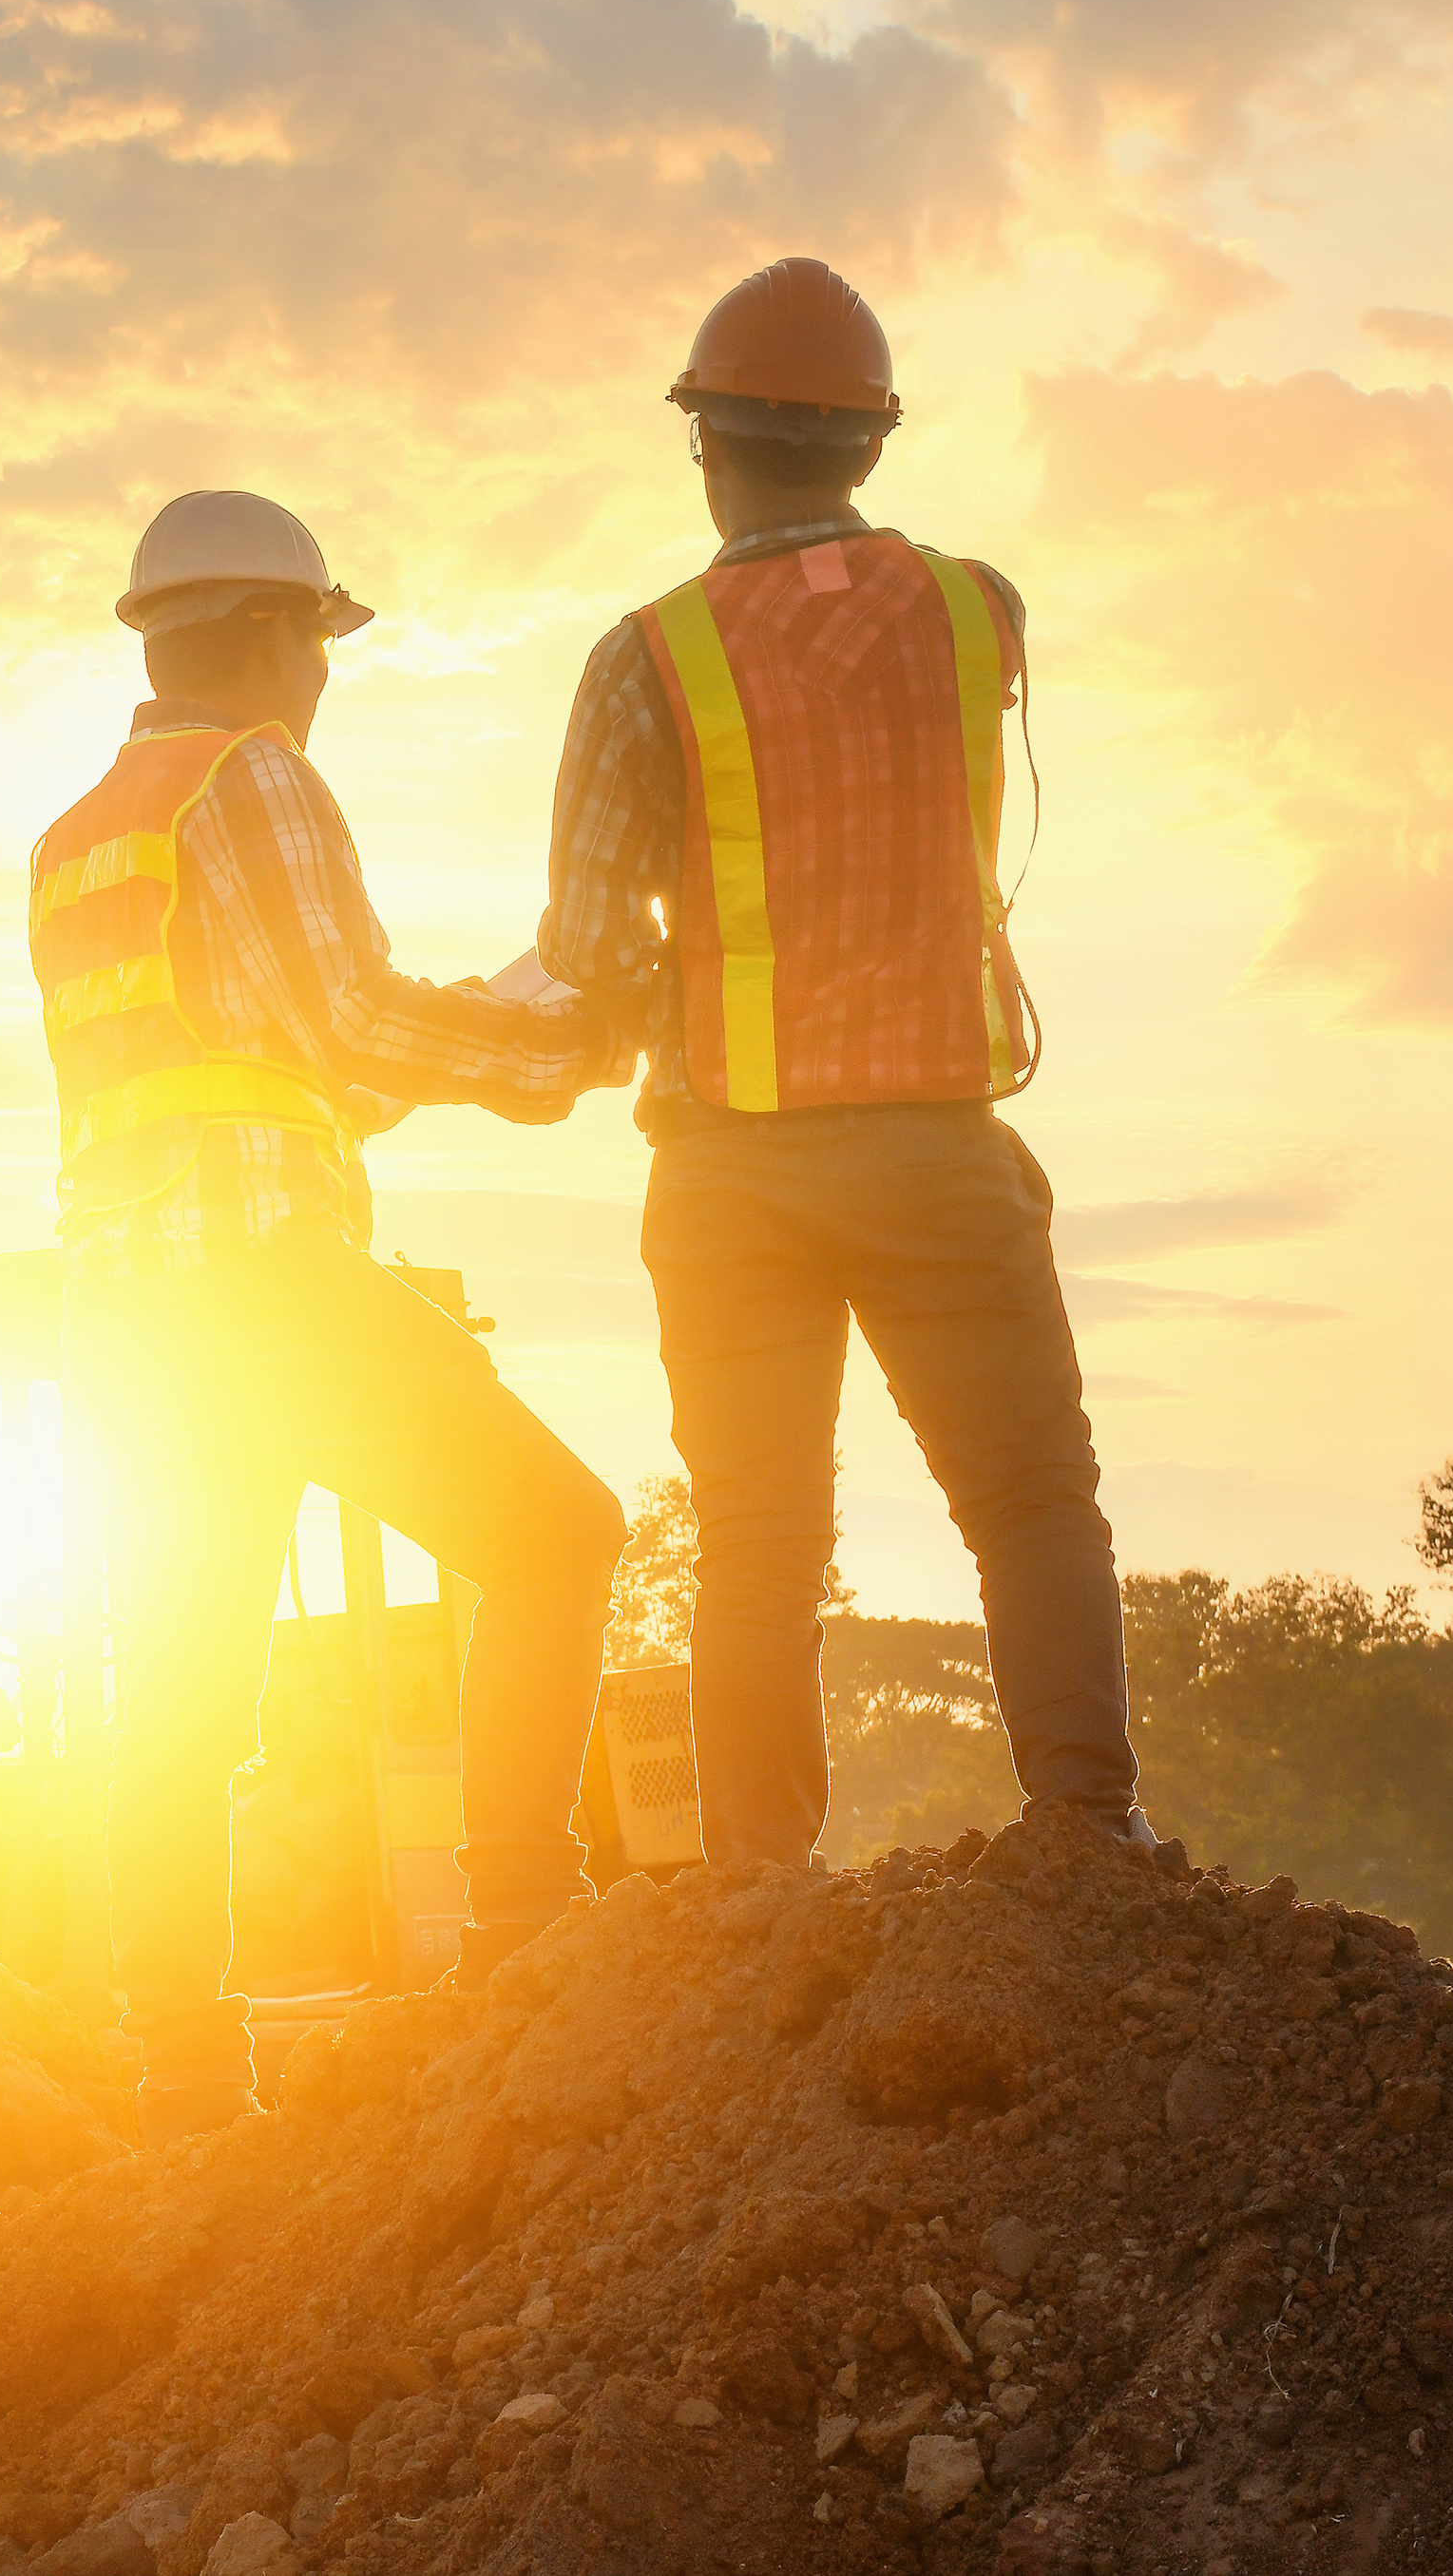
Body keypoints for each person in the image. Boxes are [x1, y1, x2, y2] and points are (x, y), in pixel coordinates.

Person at [540, 258, 1152, 1868]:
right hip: (937, 1144)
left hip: (733, 1164)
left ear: (705, 448)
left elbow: (596, 952)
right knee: (1028, 1495)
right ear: (872, 443)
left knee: (755, 1536)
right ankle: (1089, 1830)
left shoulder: (641, 661)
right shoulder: (980, 610)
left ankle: (755, 1892)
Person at [33, 490, 630, 2141]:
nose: (322, 678)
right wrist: (563, 1040)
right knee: (564, 1534)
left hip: (132, 1322)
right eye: (320, 642)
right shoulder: (259, 777)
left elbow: (268, 1076)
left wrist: (486, 1030)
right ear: (271, 633)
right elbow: (356, 1025)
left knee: (179, 1694)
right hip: (269, 1290)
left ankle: (185, 2078)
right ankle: (521, 1913)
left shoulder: (83, 833)